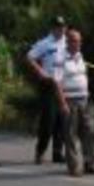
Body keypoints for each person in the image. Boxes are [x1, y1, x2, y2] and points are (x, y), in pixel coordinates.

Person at [53, 28, 94, 177]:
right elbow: (57, 82)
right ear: (68, 42)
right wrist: (62, 103)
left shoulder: (80, 56)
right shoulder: (60, 58)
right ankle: (74, 166)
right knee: (71, 135)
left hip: (84, 99)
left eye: (79, 40)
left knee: (90, 131)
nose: (78, 43)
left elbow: (83, 75)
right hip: (69, 100)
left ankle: (90, 163)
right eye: (75, 40)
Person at [26, 16, 67, 164]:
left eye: (62, 26)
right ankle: (40, 151)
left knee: (61, 121)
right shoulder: (45, 43)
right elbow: (29, 57)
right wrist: (40, 72)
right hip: (48, 85)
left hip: (63, 85)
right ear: (52, 28)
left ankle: (57, 153)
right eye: (57, 26)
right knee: (48, 121)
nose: (60, 29)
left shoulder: (66, 43)